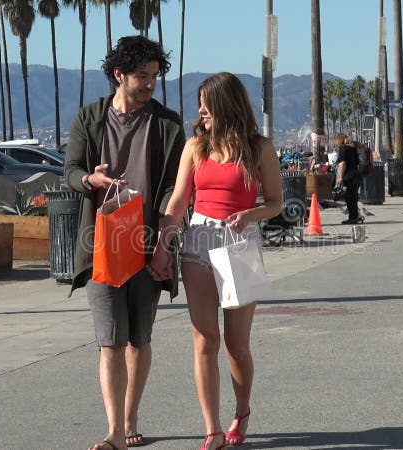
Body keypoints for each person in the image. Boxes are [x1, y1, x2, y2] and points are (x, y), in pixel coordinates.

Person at [64, 35, 186, 450]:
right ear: (119, 74)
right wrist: (89, 180)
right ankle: (115, 429)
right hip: (100, 244)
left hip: (148, 244)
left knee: (139, 338)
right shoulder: (90, 118)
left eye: (154, 76)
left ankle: (131, 414)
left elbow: (175, 186)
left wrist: (165, 244)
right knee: (110, 340)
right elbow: (70, 170)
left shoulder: (168, 124)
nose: (150, 83)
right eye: (142, 76)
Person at [149, 72, 282, 450]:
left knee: (236, 343)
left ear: (226, 105)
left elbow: (275, 203)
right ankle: (213, 429)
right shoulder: (195, 146)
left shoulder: (261, 148)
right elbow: (178, 200)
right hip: (198, 241)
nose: (201, 111)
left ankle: (241, 411)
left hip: (240, 242)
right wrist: (163, 244)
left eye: (207, 104)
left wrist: (250, 215)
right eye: (200, 105)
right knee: (203, 339)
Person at [334, 134, 362, 224]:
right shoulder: (353, 148)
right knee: (354, 198)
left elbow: (343, 164)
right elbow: (357, 164)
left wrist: (340, 177)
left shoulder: (343, 149)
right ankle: (355, 217)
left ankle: (352, 218)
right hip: (356, 175)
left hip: (348, 176)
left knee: (349, 198)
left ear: (339, 141)